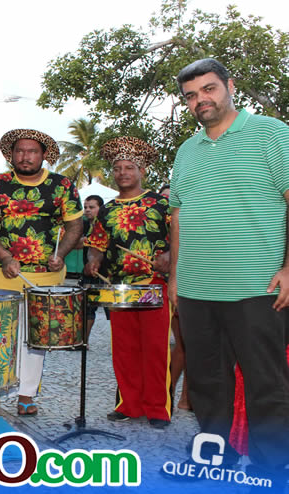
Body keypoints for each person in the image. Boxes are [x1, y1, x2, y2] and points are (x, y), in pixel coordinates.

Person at [168, 58, 289, 481]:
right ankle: (214, 458)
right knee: (206, 383)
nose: (200, 100)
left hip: (258, 285)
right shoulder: (187, 151)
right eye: (191, 95)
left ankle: (271, 468)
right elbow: (178, 216)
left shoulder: (272, 134)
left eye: (209, 89)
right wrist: (175, 277)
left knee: (266, 383)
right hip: (197, 289)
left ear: (230, 86)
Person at [0, 129, 83, 415]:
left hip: (46, 276)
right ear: (11, 155)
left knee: (35, 339)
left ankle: (27, 395)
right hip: (2, 273)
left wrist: (61, 254)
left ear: (43, 155)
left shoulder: (62, 185)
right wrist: (4, 256)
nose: (25, 156)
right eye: (19, 151)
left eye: (32, 151)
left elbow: (75, 225)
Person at [85, 136, 172, 430]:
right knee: (124, 350)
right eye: (118, 168)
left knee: (155, 348)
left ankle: (158, 408)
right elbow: (97, 244)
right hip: (119, 287)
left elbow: (181, 236)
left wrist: (169, 255)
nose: (123, 173)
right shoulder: (107, 210)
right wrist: (94, 260)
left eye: (129, 167)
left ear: (142, 171)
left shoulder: (161, 203)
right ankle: (129, 404)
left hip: (154, 283)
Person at [159, 184, 190, 411]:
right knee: (182, 344)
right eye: (164, 199)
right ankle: (168, 392)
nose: (167, 204)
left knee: (191, 345)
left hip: (194, 281)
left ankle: (186, 397)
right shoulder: (156, 225)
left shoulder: (189, 221)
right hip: (169, 286)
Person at [80, 195, 104, 342]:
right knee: (86, 307)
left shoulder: (104, 224)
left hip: (103, 273)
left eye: (92, 207)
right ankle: (83, 340)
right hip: (88, 273)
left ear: (100, 208)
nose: (87, 210)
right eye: (85, 207)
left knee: (113, 310)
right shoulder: (83, 224)